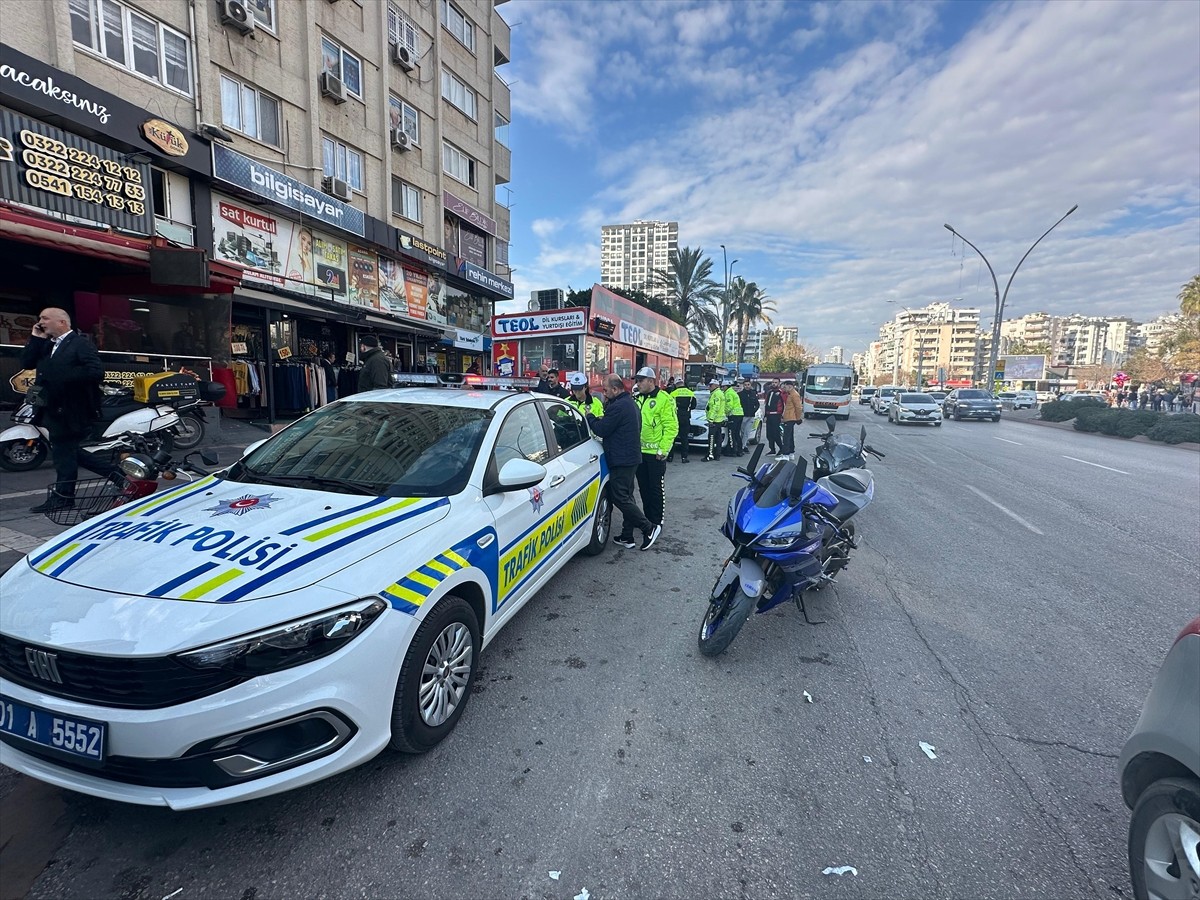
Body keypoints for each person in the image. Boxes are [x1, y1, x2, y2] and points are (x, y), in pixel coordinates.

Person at [22, 308, 109, 513]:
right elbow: (26, 362)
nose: (40, 321)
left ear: (62, 322)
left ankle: (63, 497)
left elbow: (96, 372)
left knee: (63, 454)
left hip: (72, 407)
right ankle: (118, 475)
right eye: (40, 317)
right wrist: (35, 338)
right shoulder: (45, 345)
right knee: (67, 452)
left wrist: (61, 375)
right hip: (50, 406)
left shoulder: (80, 344)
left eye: (45, 318)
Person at [586, 374, 660, 551]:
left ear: (616, 389)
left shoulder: (619, 406)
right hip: (630, 457)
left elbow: (602, 429)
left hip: (622, 459)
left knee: (620, 497)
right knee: (627, 496)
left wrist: (589, 417)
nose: (603, 393)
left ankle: (648, 528)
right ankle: (627, 536)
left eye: (605, 390)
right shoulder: (629, 403)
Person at [632, 366, 677, 528]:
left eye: (641, 380)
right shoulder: (636, 398)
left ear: (651, 381)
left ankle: (657, 522)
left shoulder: (664, 399)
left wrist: (663, 450)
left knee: (656, 489)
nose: (638, 384)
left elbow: (671, 427)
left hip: (655, 454)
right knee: (643, 489)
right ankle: (648, 521)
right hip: (639, 453)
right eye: (637, 381)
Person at [667, 378, 696, 463]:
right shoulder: (691, 393)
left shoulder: (673, 394)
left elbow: (669, 407)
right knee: (684, 438)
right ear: (683, 383)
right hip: (686, 418)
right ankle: (684, 457)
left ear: (676, 384)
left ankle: (670, 457)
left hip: (675, 418)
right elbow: (693, 406)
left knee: (672, 438)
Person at [703, 376, 727, 461]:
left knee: (712, 439)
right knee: (718, 438)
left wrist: (711, 419)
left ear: (716, 385)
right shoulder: (719, 393)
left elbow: (715, 407)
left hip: (715, 421)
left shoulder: (716, 394)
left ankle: (710, 455)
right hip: (719, 420)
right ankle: (717, 455)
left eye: (711, 385)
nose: (709, 387)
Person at [781, 380, 803, 457]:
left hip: (791, 418)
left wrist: (798, 418)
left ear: (790, 386)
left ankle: (786, 454)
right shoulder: (790, 394)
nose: (784, 388)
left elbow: (798, 407)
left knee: (786, 436)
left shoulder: (794, 395)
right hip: (789, 417)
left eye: (785, 386)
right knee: (790, 436)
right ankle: (791, 452)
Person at [722, 380, 744, 456]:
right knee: (737, 433)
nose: (722, 388)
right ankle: (740, 450)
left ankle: (732, 451)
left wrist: (724, 413)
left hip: (733, 415)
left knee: (731, 433)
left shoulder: (728, 394)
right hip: (739, 415)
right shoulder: (733, 392)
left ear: (725, 387)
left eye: (723, 387)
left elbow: (729, 406)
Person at [763, 379, 784, 454]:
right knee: (769, 434)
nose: (774, 384)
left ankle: (781, 448)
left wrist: (782, 416)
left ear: (779, 383)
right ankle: (772, 449)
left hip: (776, 415)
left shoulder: (781, 393)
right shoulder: (769, 392)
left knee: (776, 434)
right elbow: (767, 404)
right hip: (769, 415)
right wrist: (765, 415)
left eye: (776, 382)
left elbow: (784, 405)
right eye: (773, 382)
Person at [738, 379, 760, 449]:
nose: (747, 386)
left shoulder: (753, 394)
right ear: (743, 386)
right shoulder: (740, 395)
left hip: (751, 416)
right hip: (743, 416)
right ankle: (741, 445)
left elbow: (757, 404)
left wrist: (754, 410)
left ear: (750, 385)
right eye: (745, 385)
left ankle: (743, 446)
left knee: (747, 432)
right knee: (742, 432)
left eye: (748, 385)